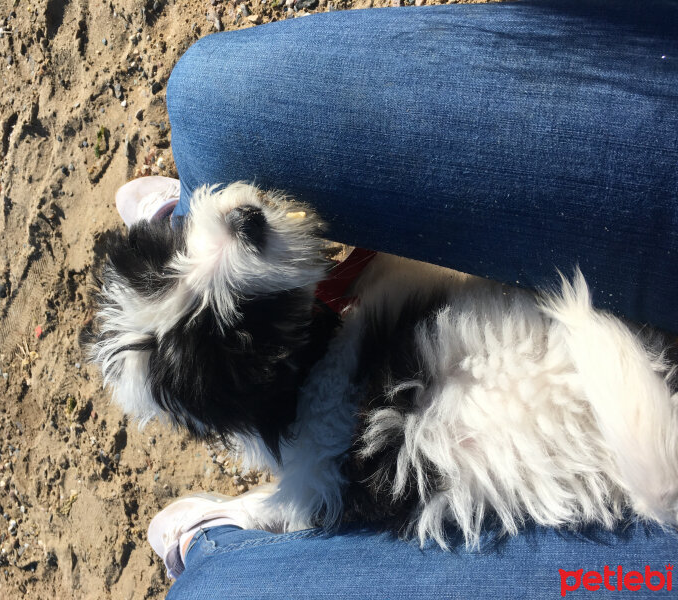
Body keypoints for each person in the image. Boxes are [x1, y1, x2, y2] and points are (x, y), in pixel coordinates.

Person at [115, 0, 678, 597]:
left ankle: (232, 536)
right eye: (236, 304)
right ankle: (225, 547)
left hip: (631, 442)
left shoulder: (317, 438)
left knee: (206, 104)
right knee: (208, 112)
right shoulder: (374, 354)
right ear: (275, 359)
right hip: (597, 374)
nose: (225, 235)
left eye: (176, 250)